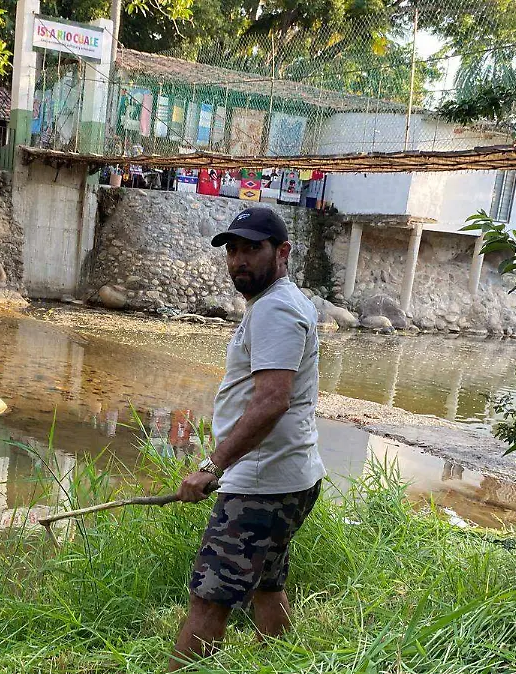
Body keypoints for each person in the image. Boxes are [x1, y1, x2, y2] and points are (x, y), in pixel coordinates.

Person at [169, 206, 325, 671]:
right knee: (267, 584)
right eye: (233, 249)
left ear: (283, 252)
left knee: (208, 602)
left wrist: (212, 466)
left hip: (261, 484)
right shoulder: (280, 301)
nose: (239, 259)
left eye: (251, 248)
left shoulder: (276, 308)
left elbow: (272, 401)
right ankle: (281, 663)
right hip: (289, 477)